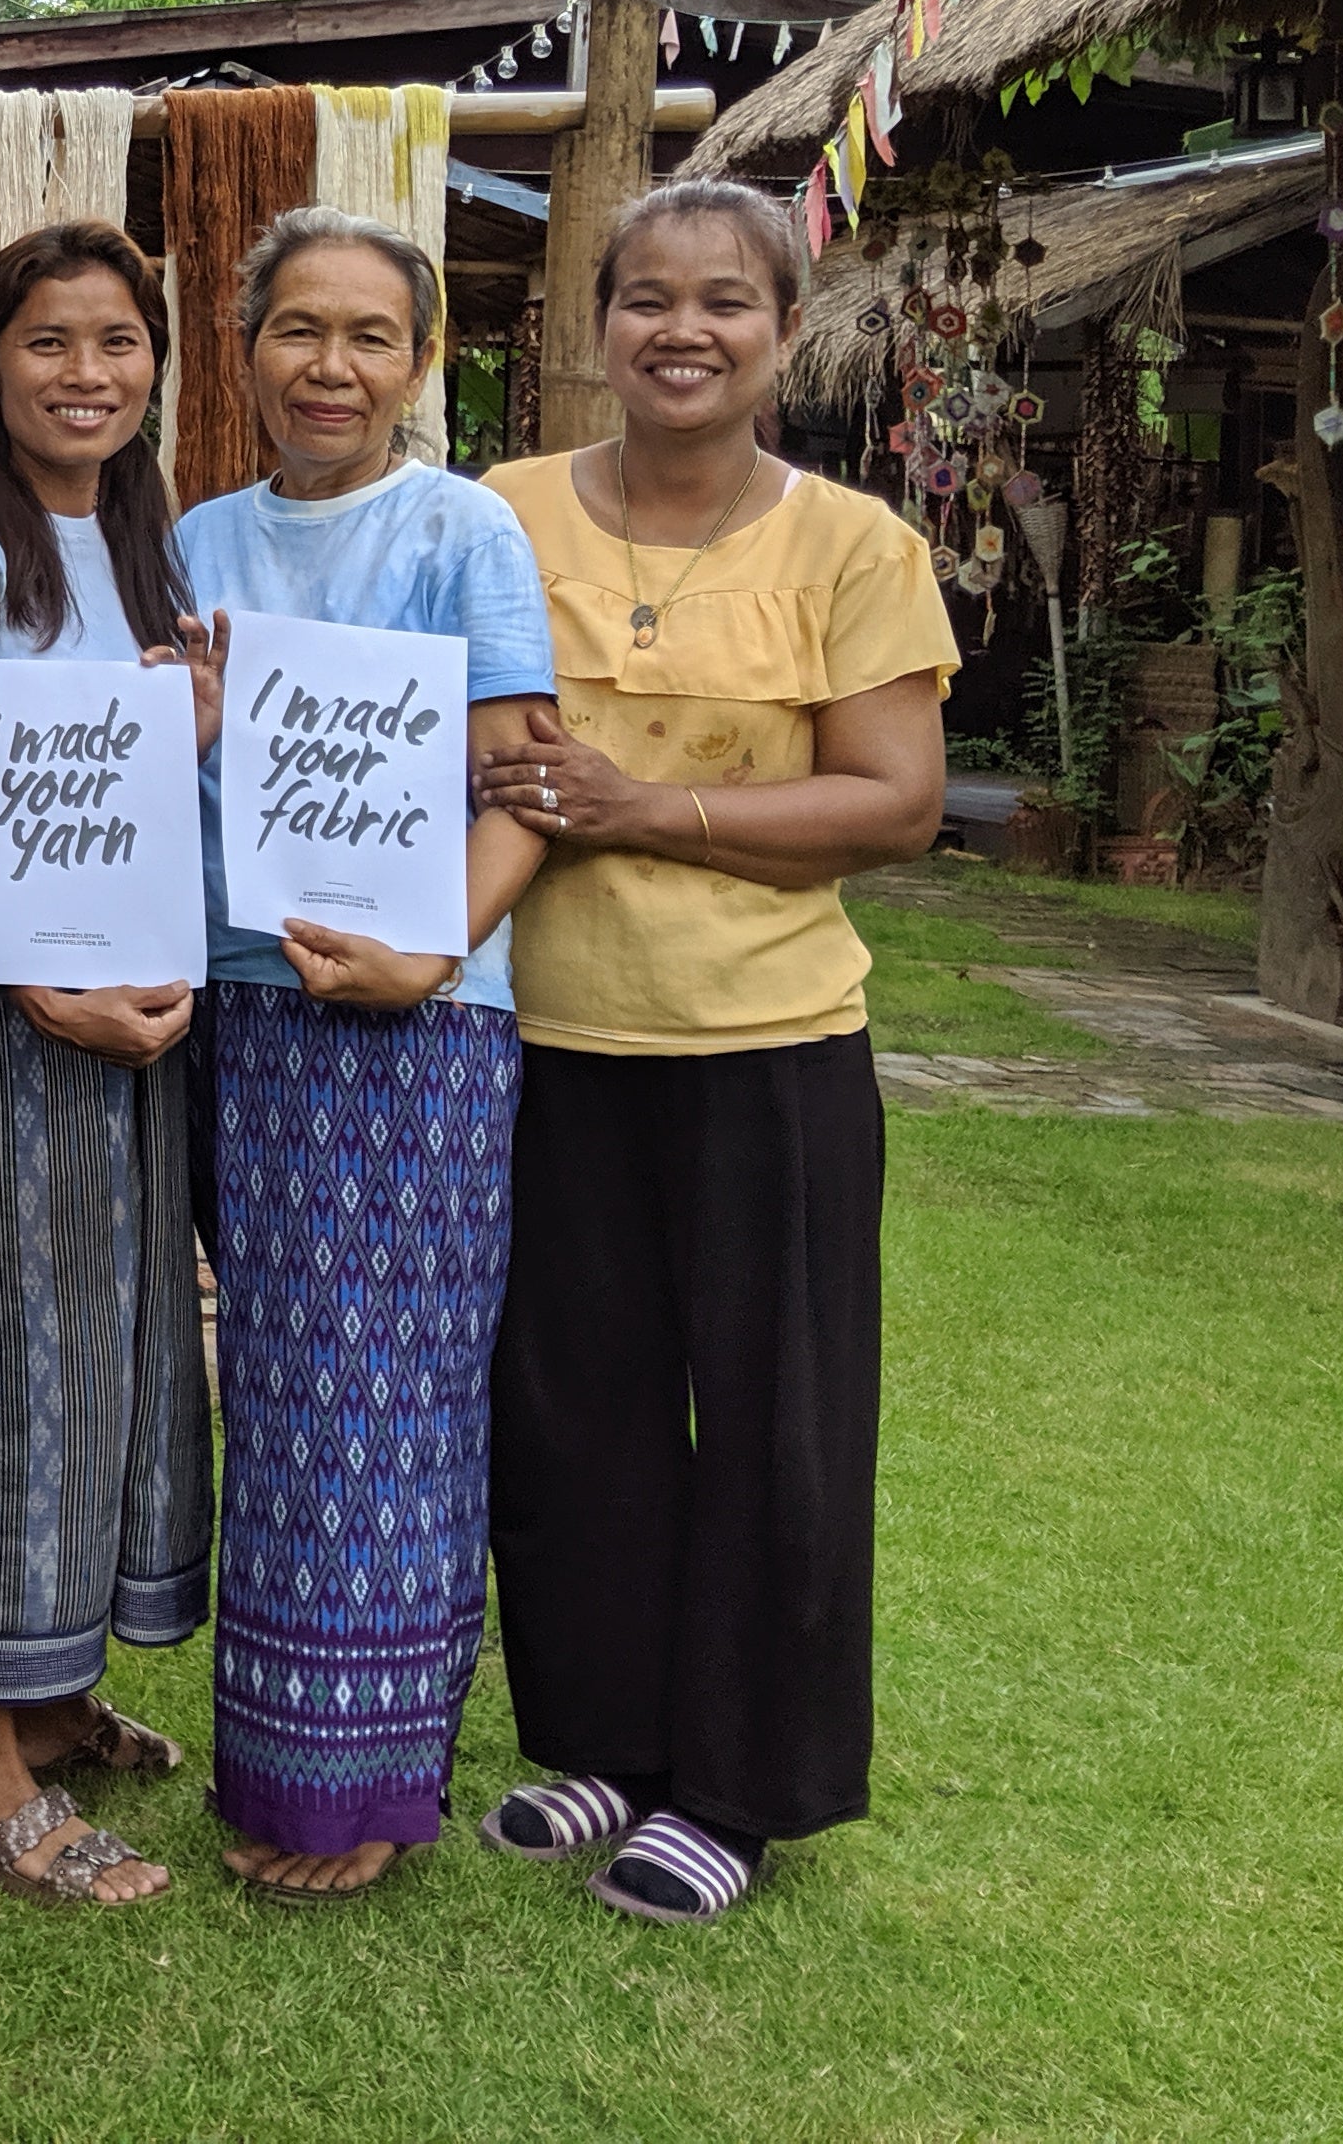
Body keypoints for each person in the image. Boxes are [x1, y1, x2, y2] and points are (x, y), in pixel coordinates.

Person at [472, 179, 953, 1926]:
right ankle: (605, 1740)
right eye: (649, 299)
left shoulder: (851, 547)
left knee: (777, 1426)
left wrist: (643, 804)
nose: (684, 331)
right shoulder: (496, 513)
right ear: (596, 327)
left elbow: (894, 802)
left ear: (782, 335)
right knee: (573, 1413)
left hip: (768, 1045)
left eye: (726, 304)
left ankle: (741, 1786)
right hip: (538, 1040)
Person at [173, 207, 553, 1905]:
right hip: (235, 1009)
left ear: (422, 361)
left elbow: (525, 788)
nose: (331, 366)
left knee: (387, 1402)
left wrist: (429, 954)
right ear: (244, 347)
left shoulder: (461, 531)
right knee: (270, 1385)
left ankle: (369, 1784)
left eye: (370, 337)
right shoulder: (192, 537)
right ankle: (273, 1752)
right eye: (297, 330)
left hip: (411, 1027)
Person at [0, 223, 215, 1912]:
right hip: (0, 1024)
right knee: (11, 1367)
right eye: (47, 342)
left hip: (136, 1026)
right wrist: (23, 980)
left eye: (117, 342)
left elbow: (131, 794)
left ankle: (61, 1683)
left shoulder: (153, 544)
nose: (85, 373)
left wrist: (208, 738)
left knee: (114, 1346)